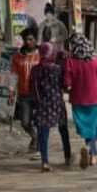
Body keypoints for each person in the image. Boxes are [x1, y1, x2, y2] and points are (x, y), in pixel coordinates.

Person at [64, 33, 97, 169]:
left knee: (87, 129)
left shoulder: (70, 62)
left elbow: (67, 83)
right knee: (94, 128)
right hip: (95, 99)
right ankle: (91, 151)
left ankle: (92, 153)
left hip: (78, 101)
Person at [29, 43, 67, 172]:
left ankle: (44, 161)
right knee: (63, 129)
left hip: (42, 104)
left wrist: (36, 101)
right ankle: (67, 156)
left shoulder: (35, 69)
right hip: (57, 103)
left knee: (43, 133)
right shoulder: (57, 69)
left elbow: (33, 88)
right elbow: (64, 84)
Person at [11, 27, 40, 152]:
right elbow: (13, 75)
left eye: (30, 39)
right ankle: (35, 137)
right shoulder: (17, 56)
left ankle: (40, 146)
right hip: (24, 94)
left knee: (40, 121)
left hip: (39, 94)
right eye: (25, 39)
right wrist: (11, 91)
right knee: (24, 122)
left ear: (35, 40)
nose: (28, 42)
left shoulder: (42, 54)